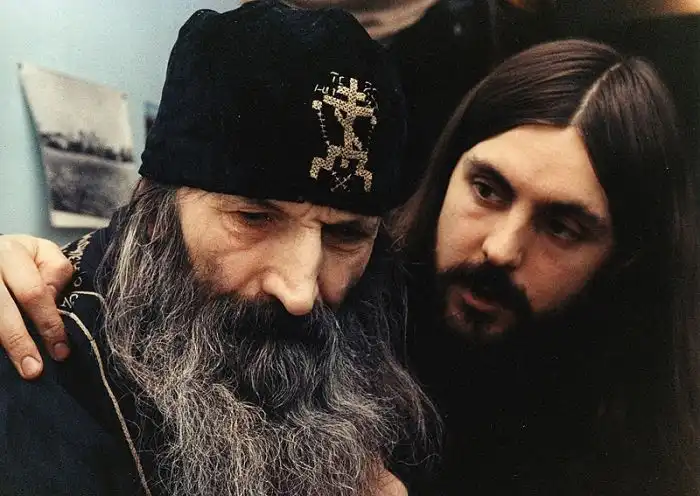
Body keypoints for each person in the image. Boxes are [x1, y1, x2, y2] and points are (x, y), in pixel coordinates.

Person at [2, 39, 699, 494]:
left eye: (563, 226)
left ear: (623, 260)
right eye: (488, 189)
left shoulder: (649, 445)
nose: (499, 249)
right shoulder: (350, 306)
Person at [0, 2, 437, 495]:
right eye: (254, 219)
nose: (299, 292)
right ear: (155, 211)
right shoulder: (35, 367)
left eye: (346, 236)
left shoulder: (363, 337)